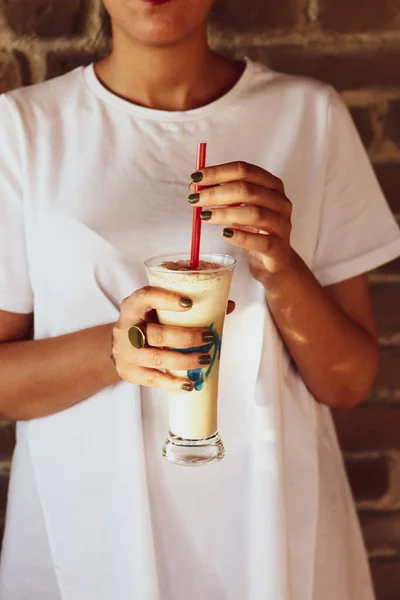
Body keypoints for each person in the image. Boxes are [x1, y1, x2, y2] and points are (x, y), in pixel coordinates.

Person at [0, 0, 399, 598]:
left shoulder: (308, 115)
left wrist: (280, 266)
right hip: (89, 534)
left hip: (271, 527)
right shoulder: (23, 129)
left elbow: (347, 383)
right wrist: (117, 352)